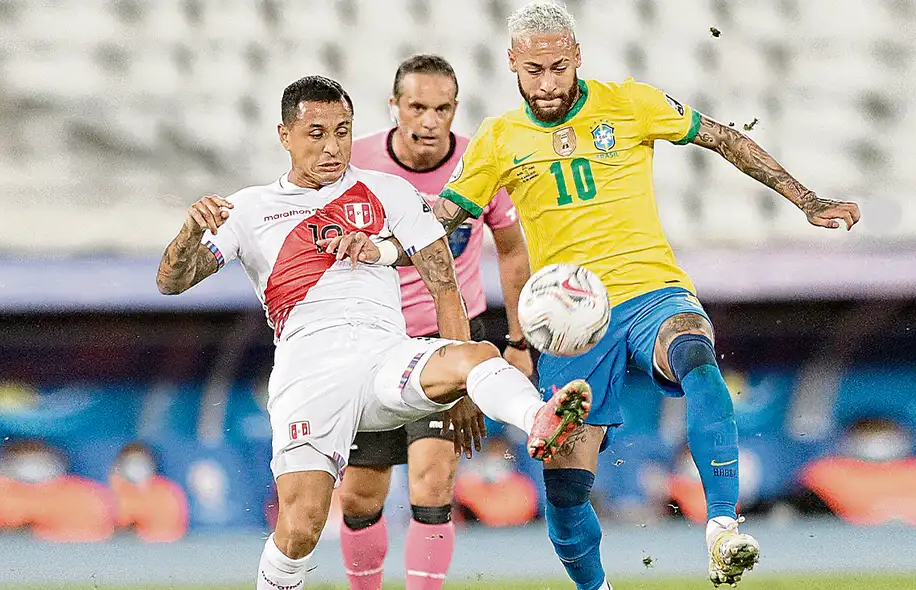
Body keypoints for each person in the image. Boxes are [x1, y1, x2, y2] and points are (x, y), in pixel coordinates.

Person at [325, 2, 861, 586]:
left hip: (649, 290)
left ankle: (724, 527)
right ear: (512, 65)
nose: (548, 84)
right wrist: (378, 248)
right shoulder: (499, 140)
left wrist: (807, 200)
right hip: (567, 319)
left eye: (559, 67)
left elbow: (724, 139)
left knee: (696, 357)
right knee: (565, 485)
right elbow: (443, 220)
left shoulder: (630, 103)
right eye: (534, 72)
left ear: (577, 56)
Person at [155, 74, 590, 589]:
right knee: (302, 526)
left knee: (476, 352)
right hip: (310, 374)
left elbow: (444, 282)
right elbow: (172, 282)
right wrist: (189, 231)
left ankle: (537, 418)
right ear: (284, 134)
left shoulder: (388, 192)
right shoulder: (250, 208)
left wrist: (461, 395)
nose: (333, 146)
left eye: (343, 131)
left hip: (387, 357)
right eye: (316, 133)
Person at [339, 54, 533, 590]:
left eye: (442, 108)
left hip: (449, 338)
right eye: (417, 107)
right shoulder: (355, 163)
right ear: (395, 106)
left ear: (455, 109)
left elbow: (513, 251)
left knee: (433, 478)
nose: (429, 121)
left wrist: (518, 341)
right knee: (360, 494)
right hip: (373, 341)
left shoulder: (481, 163)